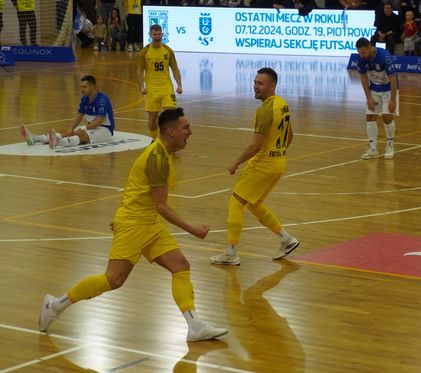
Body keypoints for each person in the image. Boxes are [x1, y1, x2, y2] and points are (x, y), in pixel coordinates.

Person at [39, 107, 228, 342]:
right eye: (186, 127)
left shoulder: (161, 152)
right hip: (135, 224)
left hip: (147, 221)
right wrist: (194, 230)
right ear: (171, 131)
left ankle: (194, 325)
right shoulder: (158, 157)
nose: (190, 131)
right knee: (113, 280)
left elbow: (135, 185)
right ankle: (54, 306)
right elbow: (162, 206)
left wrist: (120, 213)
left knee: (180, 265)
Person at [210, 67, 300, 266]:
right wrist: (278, 154)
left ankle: (231, 252)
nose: (256, 86)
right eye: (255, 82)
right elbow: (290, 134)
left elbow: (255, 145)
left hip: (263, 164)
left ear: (272, 85)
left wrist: (235, 162)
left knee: (236, 203)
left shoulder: (265, 110)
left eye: (260, 83)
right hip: (278, 163)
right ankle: (286, 239)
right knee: (254, 203)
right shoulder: (282, 103)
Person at [20, 75, 115, 149]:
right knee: (69, 131)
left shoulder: (102, 99)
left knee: (81, 134)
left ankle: (58, 142)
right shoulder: (84, 99)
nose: (81, 89)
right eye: (81, 87)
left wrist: (83, 128)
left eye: (84, 87)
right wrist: (71, 128)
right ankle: (36, 138)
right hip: (92, 127)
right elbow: (78, 117)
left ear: (93, 87)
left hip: (105, 130)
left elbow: (99, 121)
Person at [354, 37, 398, 160]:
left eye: (363, 52)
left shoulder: (384, 56)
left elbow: (393, 78)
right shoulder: (361, 59)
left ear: (370, 47)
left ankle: (390, 146)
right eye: (359, 53)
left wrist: (393, 99)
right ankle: (373, 149)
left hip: (389, 89)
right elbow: (363, 78)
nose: (361, 55)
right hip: (374, 89)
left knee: (387, 117)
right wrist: (368, 97)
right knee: (370, 116)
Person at [138, 24, 183, 140]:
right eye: (154, 34)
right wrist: (141, 87)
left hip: (166, 87)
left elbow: (174, 67)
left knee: (171, 114)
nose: (157, 36)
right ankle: (155, 139)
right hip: (151, 89)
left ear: (162, 34)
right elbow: (140, 70)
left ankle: (169, 139)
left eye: (159, 34)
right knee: (153, 118)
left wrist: (179, 85)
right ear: (150, 35)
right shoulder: (145, 52)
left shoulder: (168, 50)